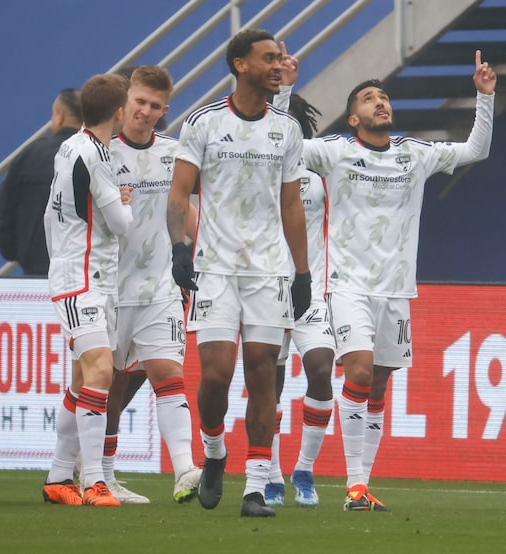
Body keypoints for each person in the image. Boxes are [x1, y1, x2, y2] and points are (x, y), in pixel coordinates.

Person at [276, 47, 496, 511]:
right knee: (355, 370)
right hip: (347, 285)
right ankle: (353, 487)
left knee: (377, 386)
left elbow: (477, 150)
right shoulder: (335, 152)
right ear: (352, 118)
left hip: (397, 291)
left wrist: (483, 97)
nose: (381, 102)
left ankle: (361, 484)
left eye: (384, 97)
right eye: (369, 98)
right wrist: (285, 90)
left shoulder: (414, 154)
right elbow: (281, 143)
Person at [166, 29, 311, 517]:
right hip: (214, 269)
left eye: (280, 58)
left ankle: (253, 486)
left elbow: (292, 204)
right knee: (215, 376)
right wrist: (180, 248)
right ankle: (213, 453)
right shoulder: (204, 123)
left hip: (270, 270)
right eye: (268, 58)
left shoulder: (287, 129)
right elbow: (179, 195)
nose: (278, 64)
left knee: (263, 374)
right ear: (239, 64)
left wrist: (303, 271)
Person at [100, 65, 201, 504]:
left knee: (168, 374)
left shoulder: (176, 153)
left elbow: (186, 209)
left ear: (165, 111)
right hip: (105, 289)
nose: (145, 112)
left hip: (159, 286)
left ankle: (184, 470)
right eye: (139, 102)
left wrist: (189, 252)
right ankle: (97, 474)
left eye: (154, 106)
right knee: (105, 388)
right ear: (124, 101)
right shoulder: (97, 153)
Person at [41, 73, 132, 507]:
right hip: (82, 279)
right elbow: (120, 225)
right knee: (101, 371)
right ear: (117, 113)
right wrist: (126, 203)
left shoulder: (71, 145)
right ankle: (94, 480)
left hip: (86, 274)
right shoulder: (94, 155)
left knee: (82, 381)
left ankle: (59, 478)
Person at [263, 90, 335, 508]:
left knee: (321, 370)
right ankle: (270, 474)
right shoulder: (257, 172)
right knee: (268, 384)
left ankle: (304, 469)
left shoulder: (321, 173)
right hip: (267, 292)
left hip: (313, 290)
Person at [0, 88, 82, 276]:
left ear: (59, 117)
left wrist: (20, 253)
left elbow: (2, 212)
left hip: (37, 271)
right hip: (86, 273)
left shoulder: (30, 155)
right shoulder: (101, 155)